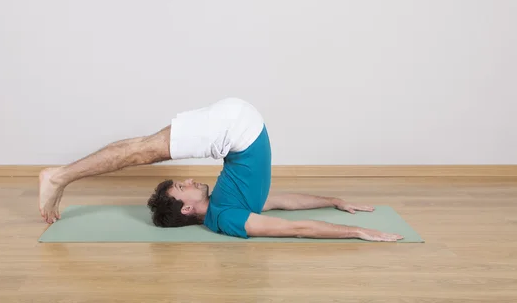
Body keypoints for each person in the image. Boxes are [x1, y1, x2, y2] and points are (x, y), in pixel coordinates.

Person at [39, 97, 403, 242]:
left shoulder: (226, 204)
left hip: (236, 127)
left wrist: (333, 199)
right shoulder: (228, 217)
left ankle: (58, 176)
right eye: (182, 187)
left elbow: (282, 204)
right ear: (186, 208)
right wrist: (355, 230)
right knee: (140, 152)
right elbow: (292, 223)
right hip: (235, 126)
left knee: (143, 150)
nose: (188, 178)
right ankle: (57, 176)